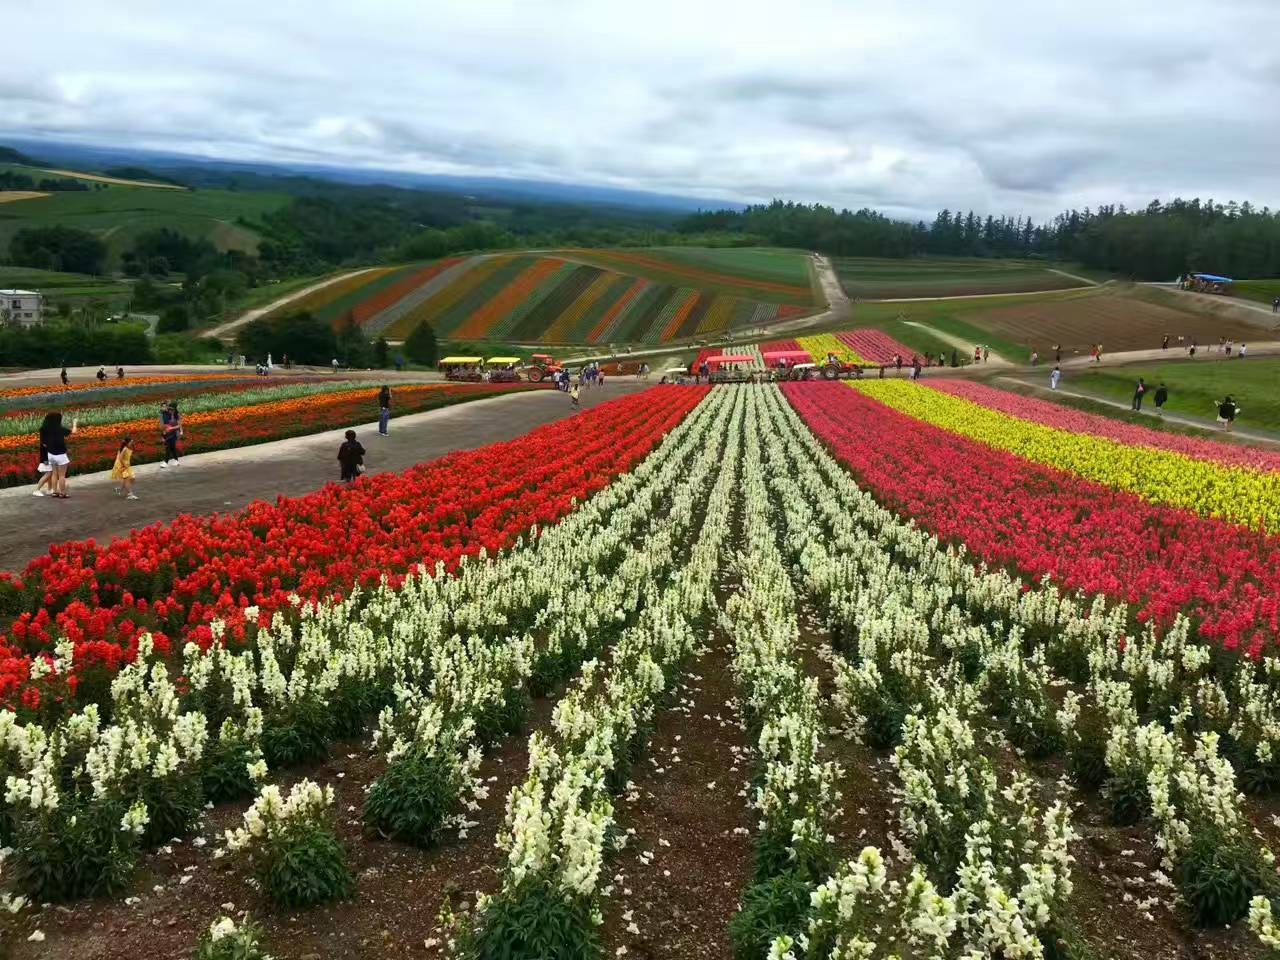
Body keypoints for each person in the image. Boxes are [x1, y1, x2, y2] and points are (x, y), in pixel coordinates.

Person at [39, 411, 77, 499]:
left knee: (54, 474)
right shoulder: (60, 429)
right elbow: (74, 432)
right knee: (62, 475)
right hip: (60, 455)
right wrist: (75, 423)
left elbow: (44, 443)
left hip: (50, 454)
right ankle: (62, 493)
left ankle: (55, 492)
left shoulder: (44, 429)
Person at [160, 402, 182, 467]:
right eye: (169, 409)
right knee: (172, 447)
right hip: (167, 433)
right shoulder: (167, 415)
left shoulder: (177, 416)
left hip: (174, 433)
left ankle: (165, 462)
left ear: (175, 410)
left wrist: (171, 428)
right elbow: (163, 425)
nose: (170, 411)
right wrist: (163, 434)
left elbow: (179, 426)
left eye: (172, 409)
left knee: (168, 447)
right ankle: (176, 460)